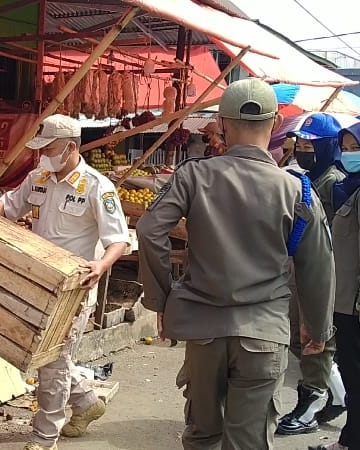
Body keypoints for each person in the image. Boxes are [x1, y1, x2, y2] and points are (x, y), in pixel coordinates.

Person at [136, 78, 336, 449]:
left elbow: (149, 231)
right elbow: (317, 265)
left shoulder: (193, 176)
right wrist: (317, 327)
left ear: (223, 124)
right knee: (248, 442)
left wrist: (161, 302)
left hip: (204, 329)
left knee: (202, 436)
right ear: (276, 123)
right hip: (264, 333)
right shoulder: (297, 190)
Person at [0, 114, 130, 450]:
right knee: (45, 357)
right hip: (37, 282)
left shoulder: (97, 187)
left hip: (74, 290)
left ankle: (44, 437)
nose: (43, 154)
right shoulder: (39, 177)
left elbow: (118, 240)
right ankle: (86, 402)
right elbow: (11, 206)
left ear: (70, 147)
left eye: (49, 148)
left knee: (53, 360)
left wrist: (101, 264)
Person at [278, 114, 347, 436]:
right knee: (300, 336)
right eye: (300, 144)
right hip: (300, 269)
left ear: (327, 147)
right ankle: (335, 391)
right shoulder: (306, 179)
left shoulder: (334, 183)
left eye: (310, 145)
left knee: (317, 338)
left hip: (324, 271)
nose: (304, 150)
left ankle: (312, 402)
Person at [310, 122, 360, 450]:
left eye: (355, 147)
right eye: (346, 147)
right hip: (344, 301)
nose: (349, 154)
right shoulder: (351, 188)